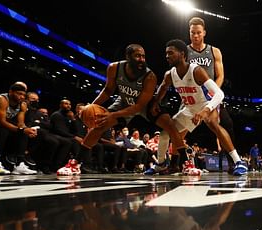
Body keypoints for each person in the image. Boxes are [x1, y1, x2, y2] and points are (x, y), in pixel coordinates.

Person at [57, 44, 187, 176]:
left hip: (145, 104)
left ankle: (185, 164)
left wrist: (113, 115)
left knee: (170, 125)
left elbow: (139, 107)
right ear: (128, 57)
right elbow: (108, 91)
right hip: (124, 102)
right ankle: (75, 164)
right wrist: (90, 107)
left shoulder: (150, 76)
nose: (142, 59)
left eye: (143, 56)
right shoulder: (114, 68)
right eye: (137, 56)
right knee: (99, 126)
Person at [153, 39, 248, 176]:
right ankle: (160, 164)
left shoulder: (196, 70)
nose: (167, 56)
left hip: (206, 103)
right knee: (165, 134)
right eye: (166, 53)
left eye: (171, 53)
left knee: (212, 123)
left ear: (182, 54)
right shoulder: (170, 74)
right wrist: (155, 102)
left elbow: (219, 94)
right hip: (189, 108)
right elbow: (162, 89)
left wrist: (206, 110)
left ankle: (238, 162)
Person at [186, 16, 237, 174]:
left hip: (210, 93)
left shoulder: (214, 51)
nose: (195, 35)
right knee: (178, 127)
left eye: (198, 32)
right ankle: (174, 161)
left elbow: (220, 75)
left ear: (204, 33)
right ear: (189, 33)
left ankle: (233, 162)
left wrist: (213, 90)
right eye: (193, 32)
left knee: (226, 124)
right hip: (192, 94)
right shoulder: (185, 51)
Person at [0, 82, 37, 175]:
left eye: (23, 95)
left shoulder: (23, 105)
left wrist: (28, 130)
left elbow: (20, 123)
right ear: (10, 92)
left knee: (23, 133)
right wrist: (21, 129)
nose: (21, 97)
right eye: (19, 94)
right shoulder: (1, 99)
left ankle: (19, 164)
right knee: (3, 130)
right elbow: (1, 121)